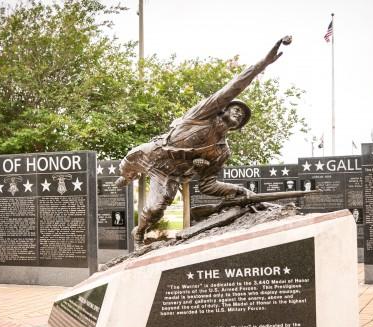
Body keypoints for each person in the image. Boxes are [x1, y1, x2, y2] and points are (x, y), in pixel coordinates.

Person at [116, 36, 293, 241]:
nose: (239, 114)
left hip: (170, 174)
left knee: (155, 209)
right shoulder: (203, 115)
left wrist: (237, 189)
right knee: (127, 162)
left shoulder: (222, 151)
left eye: (242, 117)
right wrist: (263, 63)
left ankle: (139, 231)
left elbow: (207, 185)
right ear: (225, 109)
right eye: (236, 109)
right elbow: (234, 86)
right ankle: (128, 177)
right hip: (155, 152)